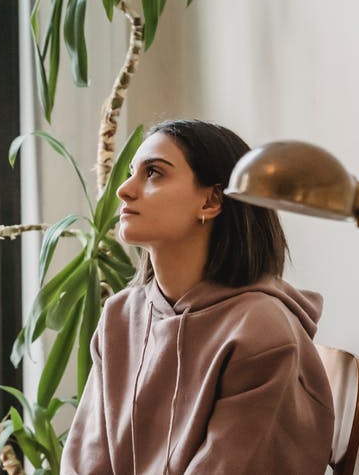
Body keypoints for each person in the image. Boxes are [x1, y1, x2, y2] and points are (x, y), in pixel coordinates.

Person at [61, 119, 334, 474]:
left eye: (154, 173)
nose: (124, 190)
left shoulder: (261, 333)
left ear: (211, 200)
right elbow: (84, 463)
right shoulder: (121, 317)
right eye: (132, 173)